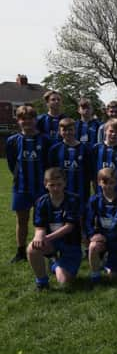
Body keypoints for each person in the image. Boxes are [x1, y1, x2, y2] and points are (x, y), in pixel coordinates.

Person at [7, 106, 51, 264]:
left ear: (35, 120)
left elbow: (49, 163)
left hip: (41, 188)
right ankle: (21, 251)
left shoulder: (45, 140)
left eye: (30, 118)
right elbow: (12, 164)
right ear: (18, 121)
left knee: (43, 220)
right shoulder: (12, 141)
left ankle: (45, 249)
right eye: (23, 118)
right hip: (21, 187)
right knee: (22, 220)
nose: (27, 121)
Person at [27, 168, 81, 289]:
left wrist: (46, 238)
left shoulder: (73, 200)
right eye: (52, 185)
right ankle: (42, 282)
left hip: (70, 243)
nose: (56, 188)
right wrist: (38, 236)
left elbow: (69, 227)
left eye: (59, 184)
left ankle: (54, 262)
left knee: (64, 281)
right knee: (32, 248)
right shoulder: (41, 202)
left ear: (65, 183)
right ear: (46, 184)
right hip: (52, 242)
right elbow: (40, 226)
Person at [86, 168, 117, 283]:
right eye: (105, 183)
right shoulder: (94, 200)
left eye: (111, 183)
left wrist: (108, 237)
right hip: (102, 238)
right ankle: (95, 275)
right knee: (93, 246)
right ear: (99, 182)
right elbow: (88, 220)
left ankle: (107, 263)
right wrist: (92, 235)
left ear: (116, 182)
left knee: (114, 278)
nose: (108, 186)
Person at [49, 118, 92, 217]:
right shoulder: (54, 150)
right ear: (59, 131)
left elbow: (90, 172)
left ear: (75, 130)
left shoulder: (85, 149)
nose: (67, 132)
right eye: (64, 130)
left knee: (81, 219)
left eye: (70, 129)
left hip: (82, 191)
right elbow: (51, 172)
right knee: (62, 218)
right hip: (60, 191)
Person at [92, 119, 117, 195]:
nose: (114, 134)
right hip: (101, 190)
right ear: (105, 131)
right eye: (111, 131)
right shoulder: (96, 148)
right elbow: (93, 171)